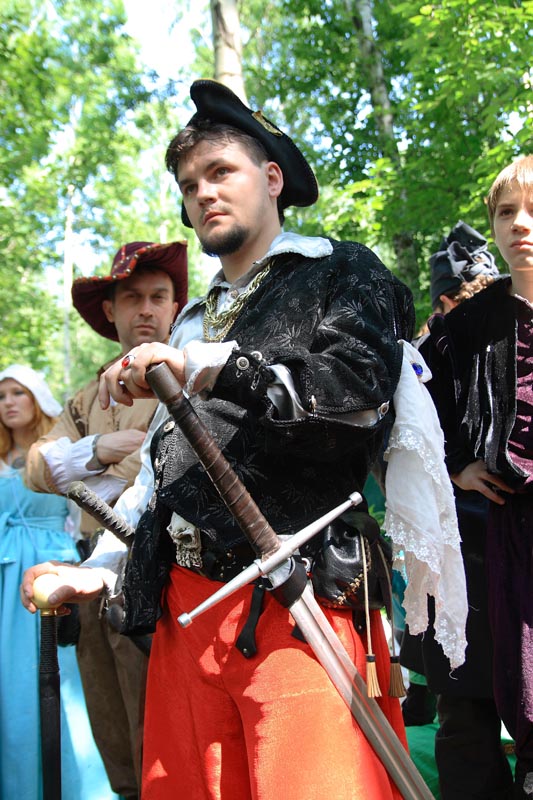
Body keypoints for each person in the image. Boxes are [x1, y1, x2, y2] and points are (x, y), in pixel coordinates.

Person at [21, 79, 419, 800]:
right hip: (184, 608)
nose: (203, 192)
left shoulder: (339, 269)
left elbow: (356, 397)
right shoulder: (191, 318)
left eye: (220, 172)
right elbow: (160, 472)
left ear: (272, 179)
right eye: (188, 183)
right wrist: (104, 566)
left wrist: (210, 367)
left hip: (298, 599)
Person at [25, 241, 188, 800]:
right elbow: (35, 466)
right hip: (88, 574)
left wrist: (92, 472)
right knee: (111, 730)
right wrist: (97, 449)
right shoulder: (84, 399)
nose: (146, 309)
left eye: (158, 297)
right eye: (132, 298)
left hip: (159, 572)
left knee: (161, 738)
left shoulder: (185, 376)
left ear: (175, 307)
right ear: (110, 311)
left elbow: (161, 467)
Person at [402, 155, 533, 798]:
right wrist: (457, 464)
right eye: (507, 212)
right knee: (470, 714)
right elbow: (412, 403)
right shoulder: (461, 331)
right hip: (484, 542)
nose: (520, 224)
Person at [0, 364, 113, 800]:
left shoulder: (57, 453)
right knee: (11, 681)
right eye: (1, 396)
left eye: (18, 393)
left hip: (53, 566)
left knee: (65, 678)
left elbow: (84, 510)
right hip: (5, 576)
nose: (8, 402)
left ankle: (78, 786)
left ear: (36, 398)